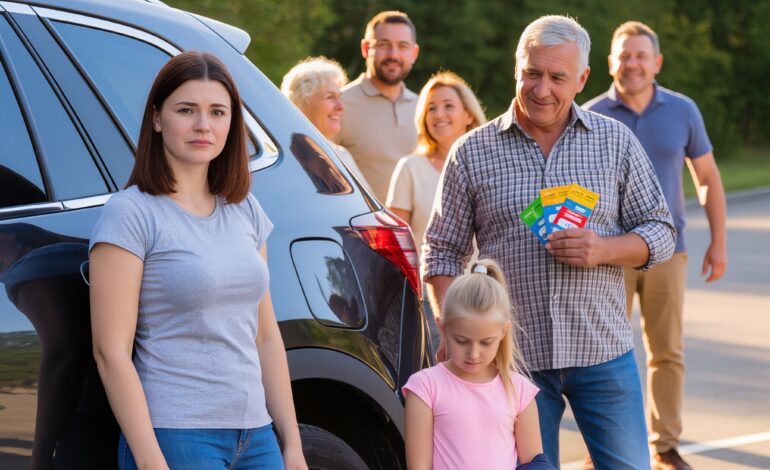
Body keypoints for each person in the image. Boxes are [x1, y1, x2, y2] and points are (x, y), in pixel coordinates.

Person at [422, 15, 676, 470]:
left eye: (557, 77)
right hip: (512, 361)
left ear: (582, 79)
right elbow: (441, 249)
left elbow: (661, 230)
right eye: (532, 73)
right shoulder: (471, 151)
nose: (542, 89)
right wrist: (450, 328)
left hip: (602, 351)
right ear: (516, 68)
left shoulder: (614, 141)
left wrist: (605, 249)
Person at [89, 51, 307, 470]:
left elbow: (265, 337)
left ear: (232, 124)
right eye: (186, 110)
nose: (203, 125)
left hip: (257, 436)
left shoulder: (245, 210)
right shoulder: (131, 213)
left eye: (217, 112)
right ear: (157, 118)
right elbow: (110, 353)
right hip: (177, 435)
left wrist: (292, 444)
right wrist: (150, 459)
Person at [584, 21, 727, 470]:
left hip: (669, 250)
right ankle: (600, 449)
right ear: (610, 63)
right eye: (624, 55)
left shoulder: (683, 111)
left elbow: (707, 179)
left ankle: (665, 446)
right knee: (602, 354)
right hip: (609, 254)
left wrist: (717, 242)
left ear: (657, 62)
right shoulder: (589, 114)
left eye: (641, 55)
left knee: (667, 351)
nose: (632, 64)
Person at [403, 259, 554, 469]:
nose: (473, 354)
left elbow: (533, 464)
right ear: (442, 328)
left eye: (486, 342)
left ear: (503, 332)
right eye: (461, 341)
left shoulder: (519, 390)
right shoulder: (425, 387)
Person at [386, 70, 486, 258]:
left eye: (448, 106)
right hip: (428, 284)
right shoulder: (410, 168)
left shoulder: (490, 165)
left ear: (469, 115)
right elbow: (396, 242)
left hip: (485, 284)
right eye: (431, 108)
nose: (438, 115)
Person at [334, 10, 420, 202]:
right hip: (360, 229)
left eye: (402, 46)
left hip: (419, 232)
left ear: (414, 53)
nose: (393, 54)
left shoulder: (426, 109)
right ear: (366, 48)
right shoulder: (338, 104)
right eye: (384, 44)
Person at [281, 56, 372, 193]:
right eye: (330, 97)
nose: (340, 107)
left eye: (339, 97)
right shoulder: (283, 157)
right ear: (301, 103)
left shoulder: (340, 154)